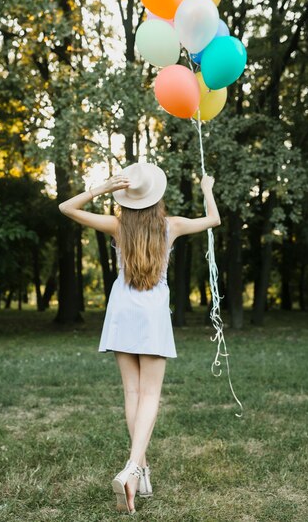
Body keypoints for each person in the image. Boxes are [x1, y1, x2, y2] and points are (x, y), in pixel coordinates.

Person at [58, 162, 220, 515]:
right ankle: (133, 467)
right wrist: (206, 188)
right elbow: (213, 221)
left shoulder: (117, 225)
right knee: (150, 395)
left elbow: (66, 208)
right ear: (156, 196)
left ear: (126, 197)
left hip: (121, 312)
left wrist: (100, 189)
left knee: (132, 393)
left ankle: (142, 471)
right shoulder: (171, 225)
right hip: (151, 315)